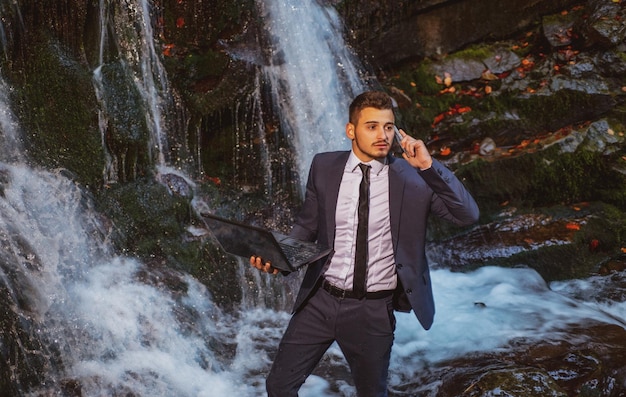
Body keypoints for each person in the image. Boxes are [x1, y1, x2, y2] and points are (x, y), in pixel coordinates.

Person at [250, 90, 479, 397]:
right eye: (372, 126)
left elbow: (467, 214)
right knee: (278, 386)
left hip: (372, 310)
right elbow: (307, 226)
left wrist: (429, 166)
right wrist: (279, 259)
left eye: (388, 127)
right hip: (319, 301)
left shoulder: (414, 180)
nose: (382, 135)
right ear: (351, 130)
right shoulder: (324, 167)